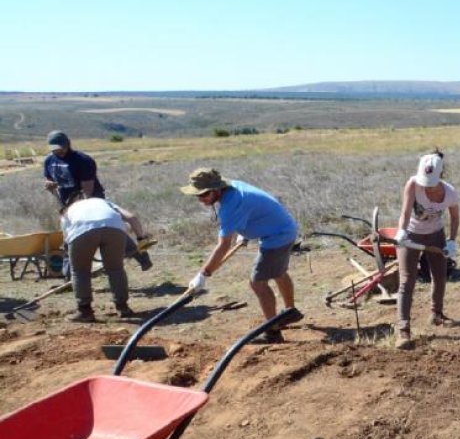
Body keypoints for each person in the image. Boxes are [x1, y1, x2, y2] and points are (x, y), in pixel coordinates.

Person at [181, 168, 302, 343]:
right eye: (197, 196)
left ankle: (272, 332)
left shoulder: (230, 206)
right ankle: (290, 311)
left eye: (204, 194)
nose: (201, 199)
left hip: (277, 236)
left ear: (216, 190)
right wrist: (246, 231)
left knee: (257, 283)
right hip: (283, 227)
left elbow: (223, 245)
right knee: (278, 272)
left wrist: (203, 274)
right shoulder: (234, 188)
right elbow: (252, 208)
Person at [42, 129, 154, 271]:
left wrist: (81, 209)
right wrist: (49, 184)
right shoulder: (49, 160)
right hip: (68, 205)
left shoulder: (83, 160)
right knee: (71, 237)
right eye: (55, 149)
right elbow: (49, 178)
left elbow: (87, 190)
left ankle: (141, 256)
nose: (58, 152)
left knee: (108, 229)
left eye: (61, 148)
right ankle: (70, 275)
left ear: (68, 144)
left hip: (93, 202)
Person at [392, 150, 460, 349]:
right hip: (411, 235)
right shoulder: (413, 184)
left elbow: (455, 217)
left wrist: (451, 241)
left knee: (439, 276)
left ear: (440, 175)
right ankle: (404, 330)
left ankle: (436, 314)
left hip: (435, 235)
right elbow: (405, 212)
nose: (426, 186)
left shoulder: (449, 192)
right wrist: (402, 232)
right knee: (407, 280)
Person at [60, 193, 139, 322]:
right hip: (115, 228)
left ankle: (85, 311)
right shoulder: (102, 202)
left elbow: (67, 240)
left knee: (80, 272)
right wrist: (141, 237)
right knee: (116, 269)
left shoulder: (66, 212)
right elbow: (132, 217)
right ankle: (123, 307)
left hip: (81, 230)